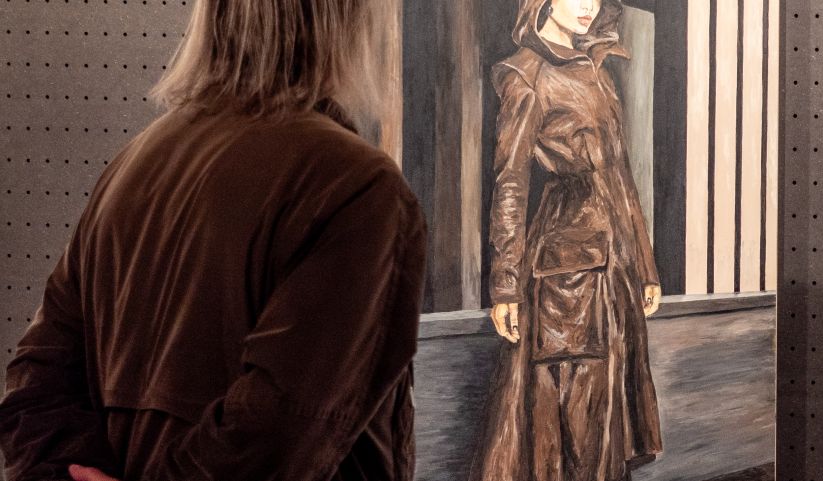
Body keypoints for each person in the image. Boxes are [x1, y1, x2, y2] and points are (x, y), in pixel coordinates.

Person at [0, 0, 427, 480]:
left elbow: (34, 389)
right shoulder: (356, 185)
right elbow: (274, 436)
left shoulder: (134, 165)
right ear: (351, 17)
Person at [469, 1, 663, 480]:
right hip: (565, 267)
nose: (587, 6)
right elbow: (510, 182)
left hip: (614, 263)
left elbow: (619, 172)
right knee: (569, 413)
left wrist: (644, 265)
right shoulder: (526, 73)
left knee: (605, 411)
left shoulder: (598, 69)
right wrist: (505, 286)